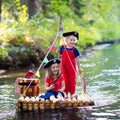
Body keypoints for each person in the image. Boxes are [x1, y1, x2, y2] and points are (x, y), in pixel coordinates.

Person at [57, 31, 86, 99]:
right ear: (66, 40)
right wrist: (58, 51)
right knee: (65, 79)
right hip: (63, 66)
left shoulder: (74, 50)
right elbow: (59, 54)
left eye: (74, 40)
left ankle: (72, 94)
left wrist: (79, 68)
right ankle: (66, 94)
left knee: (72, 80)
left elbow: (77, 60)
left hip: (72, 67)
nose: (72, 41)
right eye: (71, 40)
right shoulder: (62, 47)